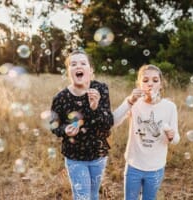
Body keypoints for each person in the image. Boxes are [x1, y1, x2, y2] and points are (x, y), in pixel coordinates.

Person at [50, 49, 114, 200]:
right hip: (75, 156)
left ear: (91, 70)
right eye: (73, 64)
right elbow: (54, 126)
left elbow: (108, 124)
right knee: (82, 197)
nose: (78, 66)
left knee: (93, 195)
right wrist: (65, 130)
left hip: (98, 154)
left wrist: (95, 107)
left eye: (83, 63)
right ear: (68, 71)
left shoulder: (100, 89)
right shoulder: (60, 98)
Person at [113, 64, 180, 200]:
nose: (150, 84)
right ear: (139, 84)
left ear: (161, 84)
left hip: (155, 168)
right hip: (133, 166)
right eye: (145, 80)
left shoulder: (169, 107)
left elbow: (176, 138)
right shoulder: (134, 103)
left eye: (155, 80)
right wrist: (130, 101)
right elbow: (113, 121)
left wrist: (172, 136)